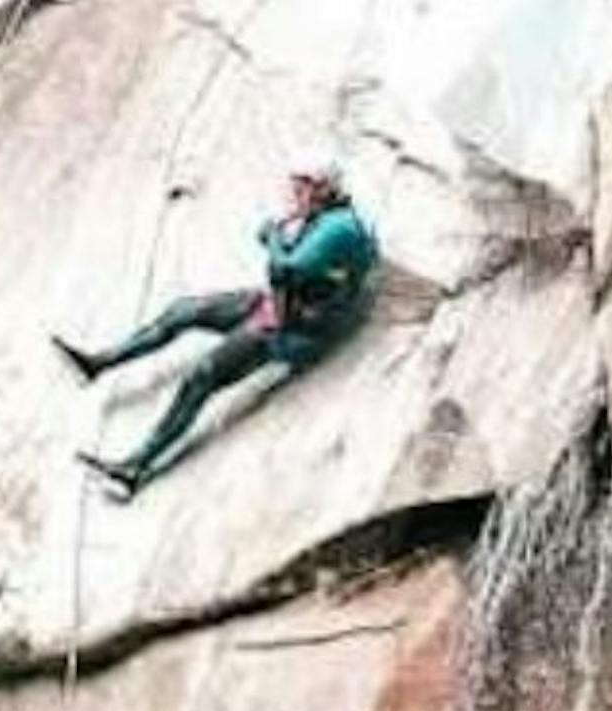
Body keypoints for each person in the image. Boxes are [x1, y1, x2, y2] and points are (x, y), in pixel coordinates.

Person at [56, 164, 379, 498]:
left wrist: (274, 238)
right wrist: (276, 236)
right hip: (278, 303)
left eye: (301, 188)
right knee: (183, 311)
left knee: (201, 377)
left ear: (323, 190)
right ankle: (99, 363)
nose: (293, 195)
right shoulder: (317, 216)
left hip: (293, 327)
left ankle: (135, 467)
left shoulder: (338, 227)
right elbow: (273, 243)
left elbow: (287, 264)